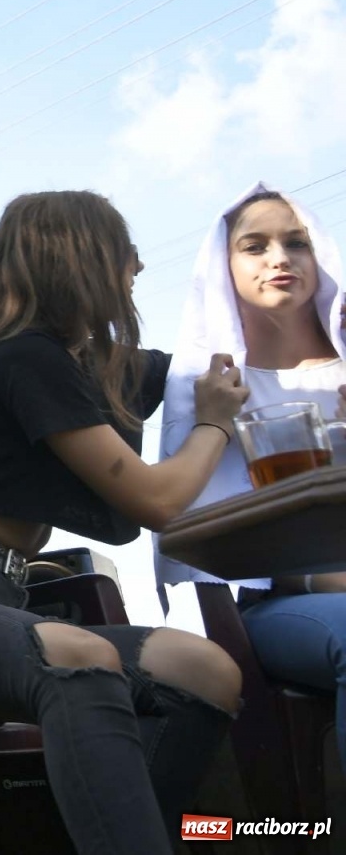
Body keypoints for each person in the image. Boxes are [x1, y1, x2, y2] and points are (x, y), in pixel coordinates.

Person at [0, 190, 247, 854]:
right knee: (77, 652)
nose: (138, 269)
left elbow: (207, 369)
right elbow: (155, 501)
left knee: (205, 670)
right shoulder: (23, 355)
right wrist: (213, 425)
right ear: (78, 261)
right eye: (122, 255)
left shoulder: (80, 363)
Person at [155, 184, 346, 776]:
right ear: (223, 268)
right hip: (288, 601)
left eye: (297, 243)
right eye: (255, 247)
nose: (280, 259)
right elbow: (206, 538)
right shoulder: (216, 389)